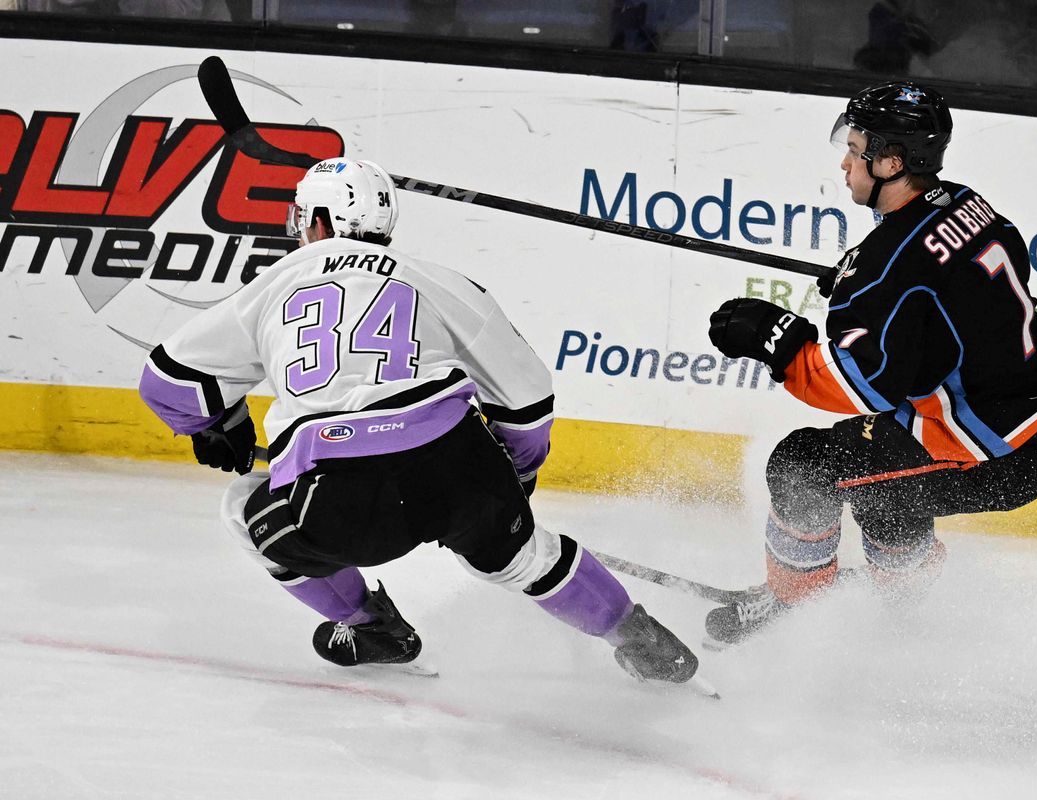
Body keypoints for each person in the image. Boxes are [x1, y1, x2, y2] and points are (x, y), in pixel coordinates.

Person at [138, 157, 700, 686]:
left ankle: (371, 628)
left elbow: (167, 380)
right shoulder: (438, 280)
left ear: (318, 220)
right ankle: (641, 638)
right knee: (527, 556)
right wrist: (514, 480)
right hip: (455, 460)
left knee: (242, 508)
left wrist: (215, 421)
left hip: (338, 496)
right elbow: (528, 401)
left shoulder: (275, 282)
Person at [704, 81, 1037, 646]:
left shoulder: (886, 269)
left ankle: (795, 600)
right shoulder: (964, 203)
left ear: (890, 162)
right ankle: (904, 603)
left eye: (855, 148)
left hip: (1001, 452)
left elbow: (862, 388)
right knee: (882, 478)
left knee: (803, 466)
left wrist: (776, 341)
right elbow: (956, 291)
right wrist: (887, 299)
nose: (844, 162)